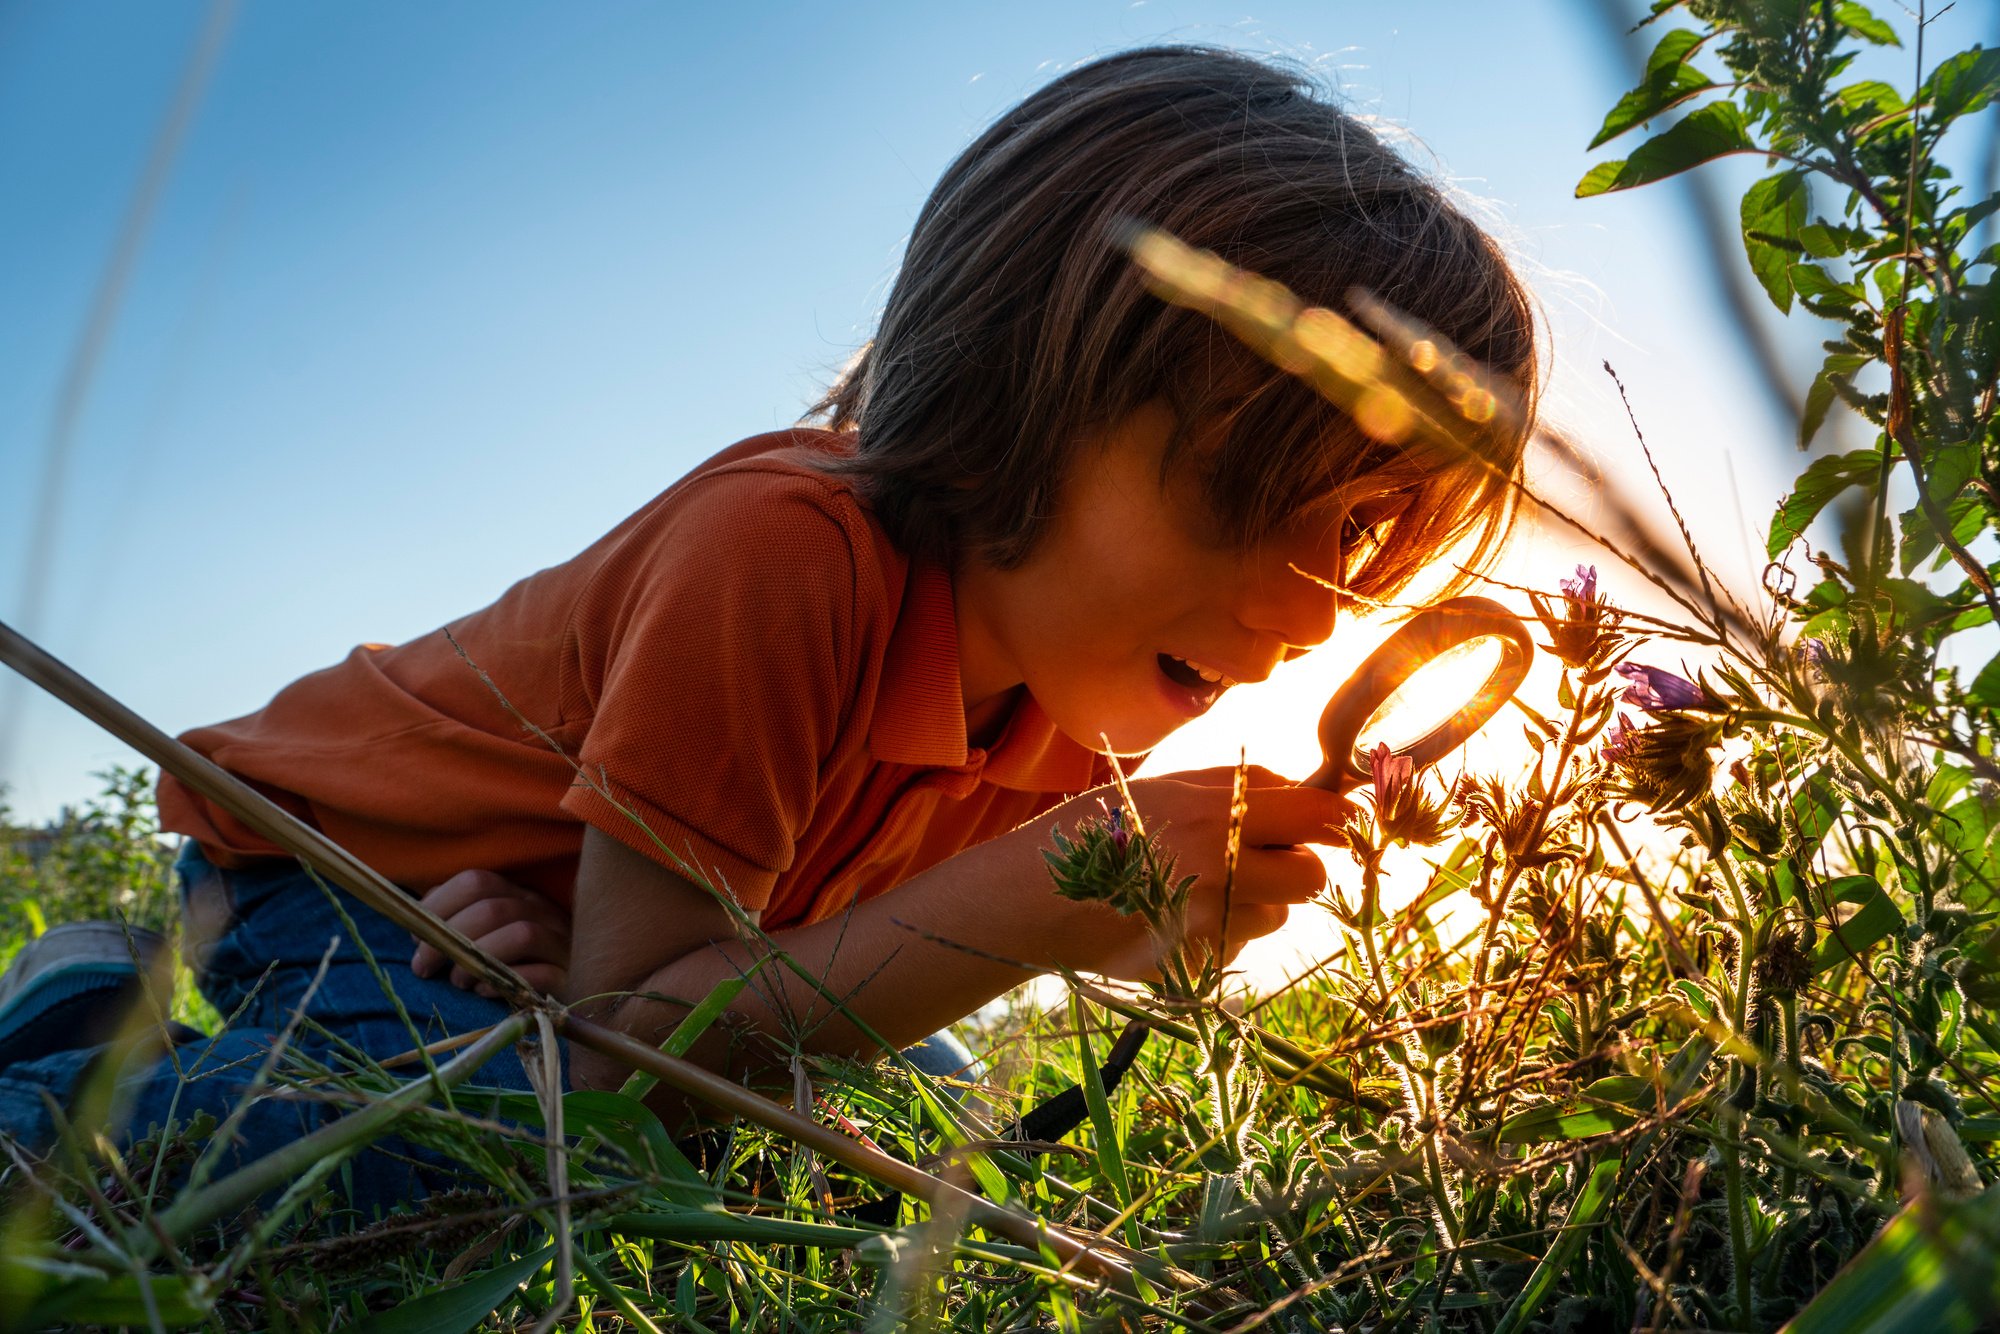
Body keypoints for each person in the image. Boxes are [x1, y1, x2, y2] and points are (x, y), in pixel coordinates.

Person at [0, 45, 1537, 1211]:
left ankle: (88, 1005)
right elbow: (632, 1060)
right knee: (485, 1158)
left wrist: (1143, 923)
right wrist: (1038, 900)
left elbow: (796, 980)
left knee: (921, 1142)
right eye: (1237, 494)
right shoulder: (789, 555)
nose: (1299, 614)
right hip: (358, 874)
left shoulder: (1090, 705)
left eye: (1360, 553)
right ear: (1023, 377)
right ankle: (59, 1093)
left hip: (601, 944)